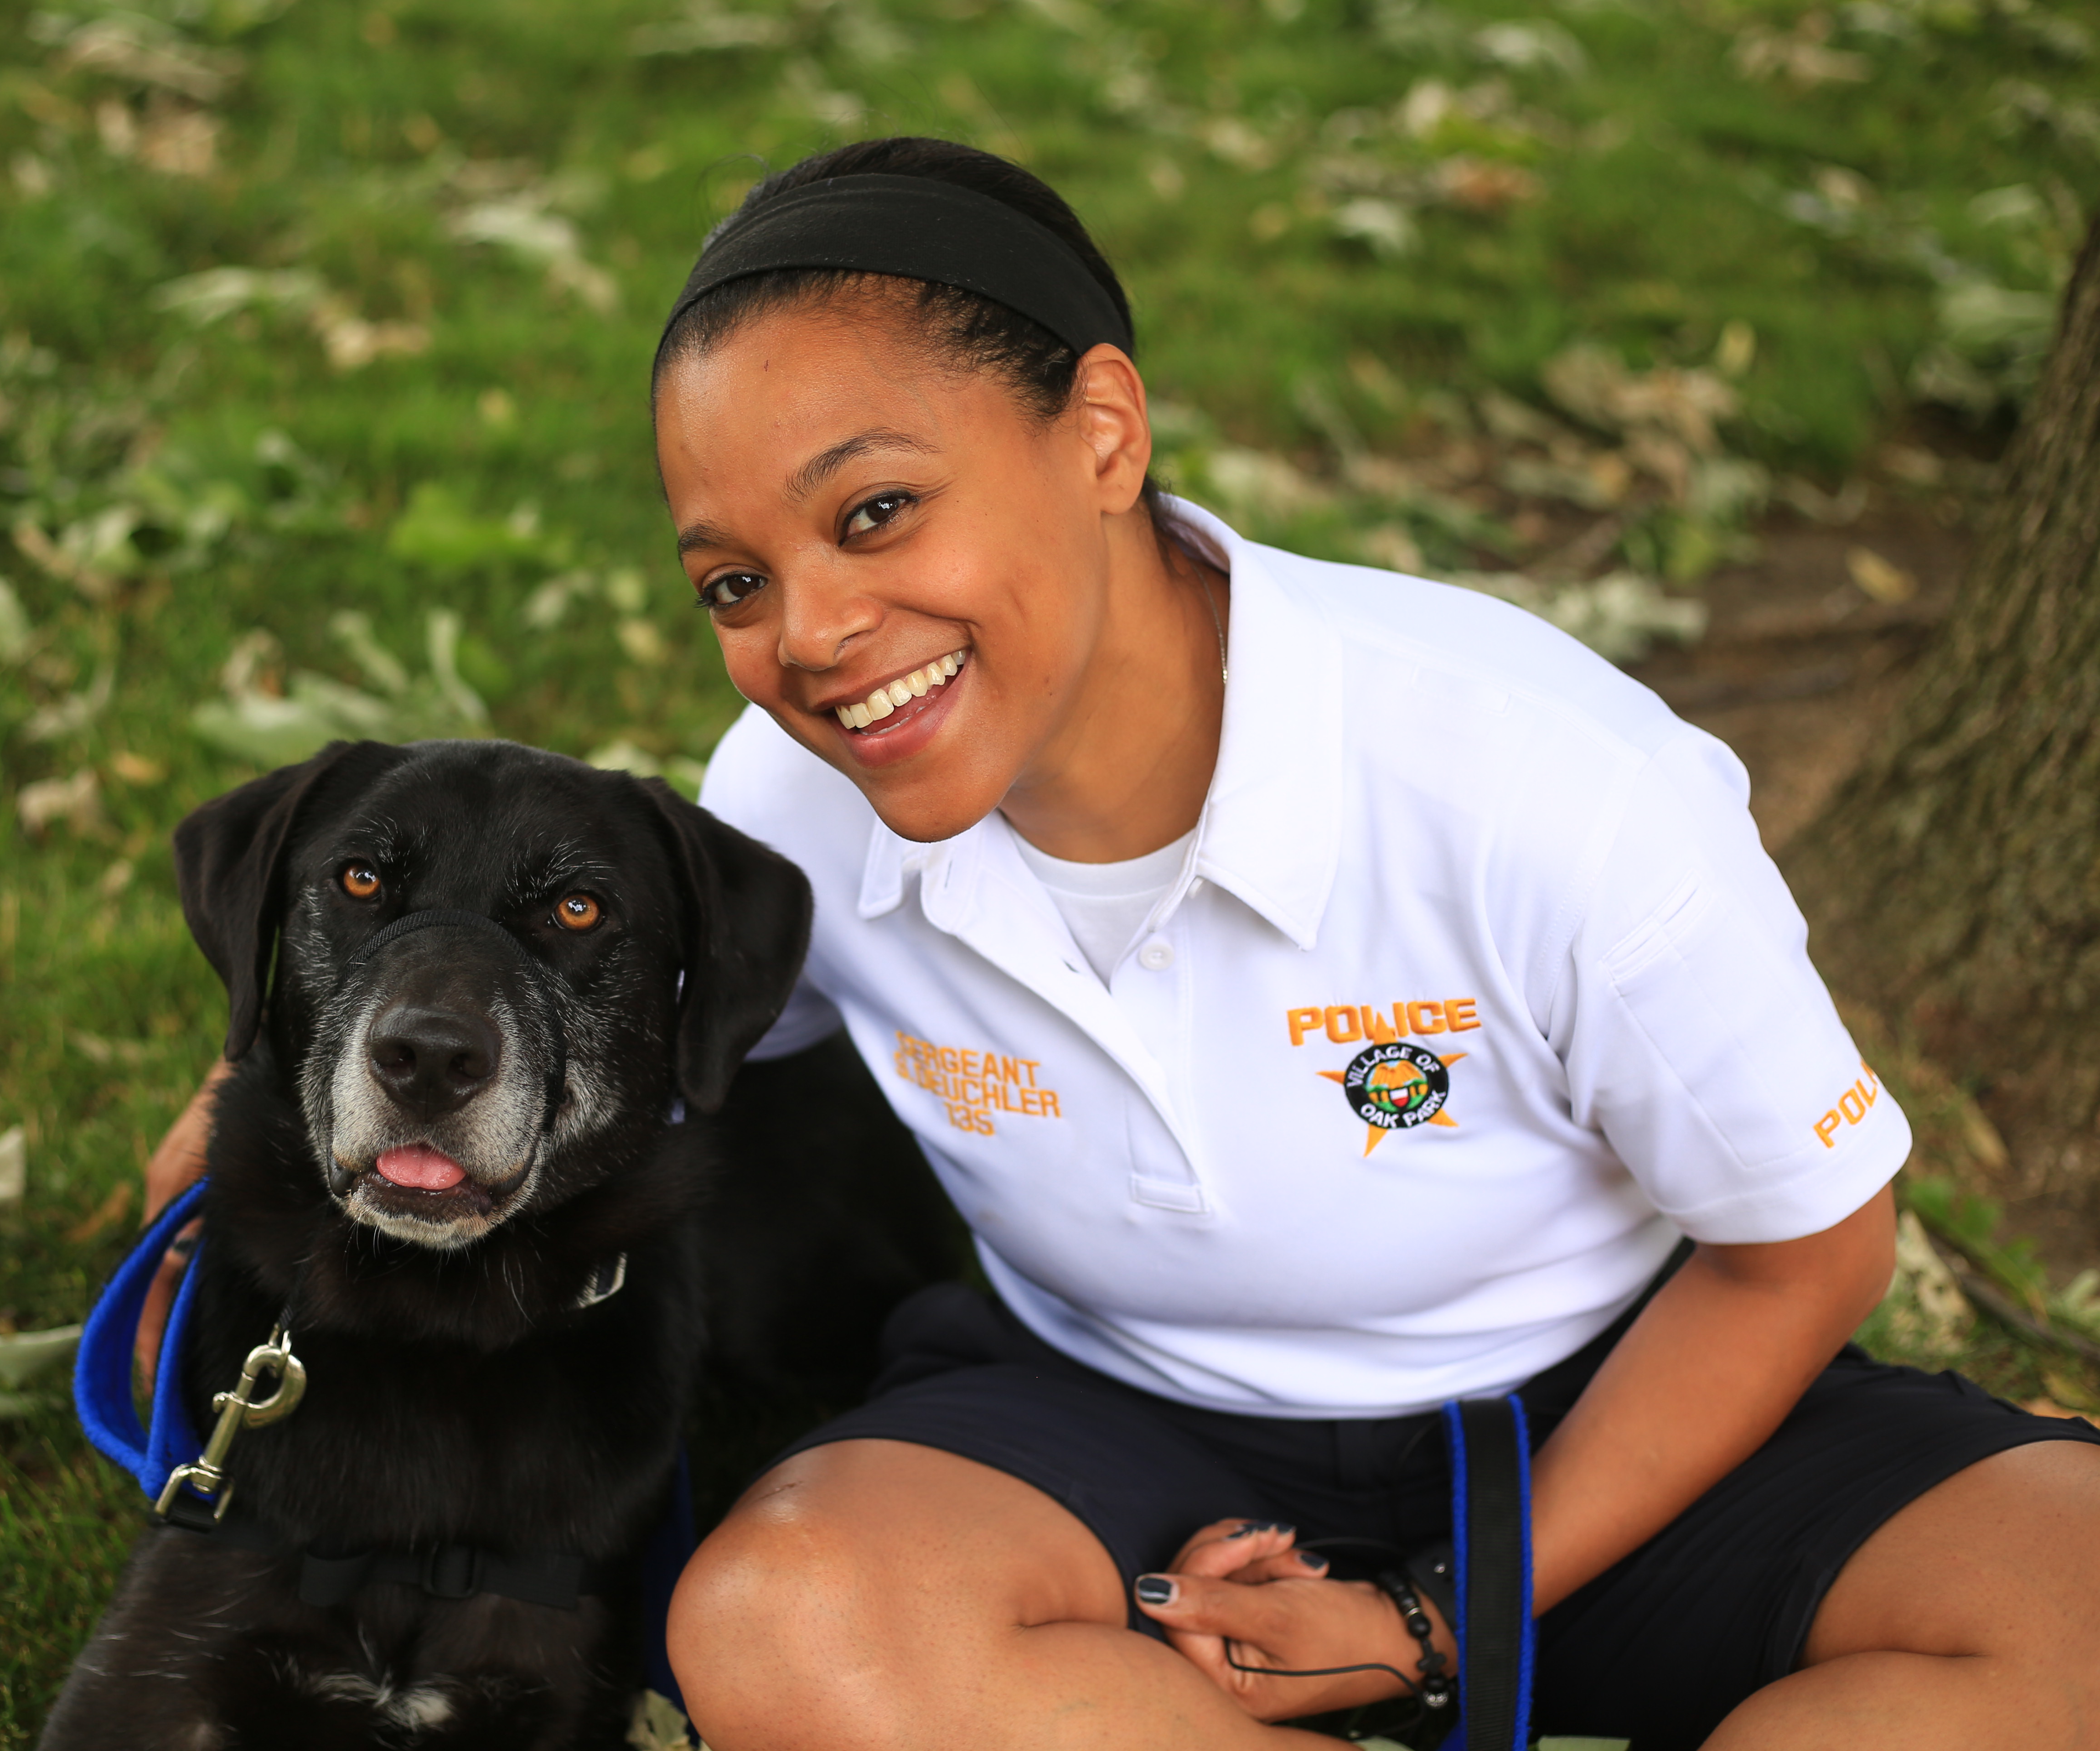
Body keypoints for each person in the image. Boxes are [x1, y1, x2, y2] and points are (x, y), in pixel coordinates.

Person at [137, 138, 2100, 1749]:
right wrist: (246, 1119)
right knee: (780, 1628)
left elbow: (1810, 1244)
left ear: (1104, 430)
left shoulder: (1531, 778)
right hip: (1104, 1419)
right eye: (738, 578)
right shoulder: (796, 796)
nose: (813, 633)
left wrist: (1428, 1616)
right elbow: (570, 1018)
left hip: (1591, 1396)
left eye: (880, 512)